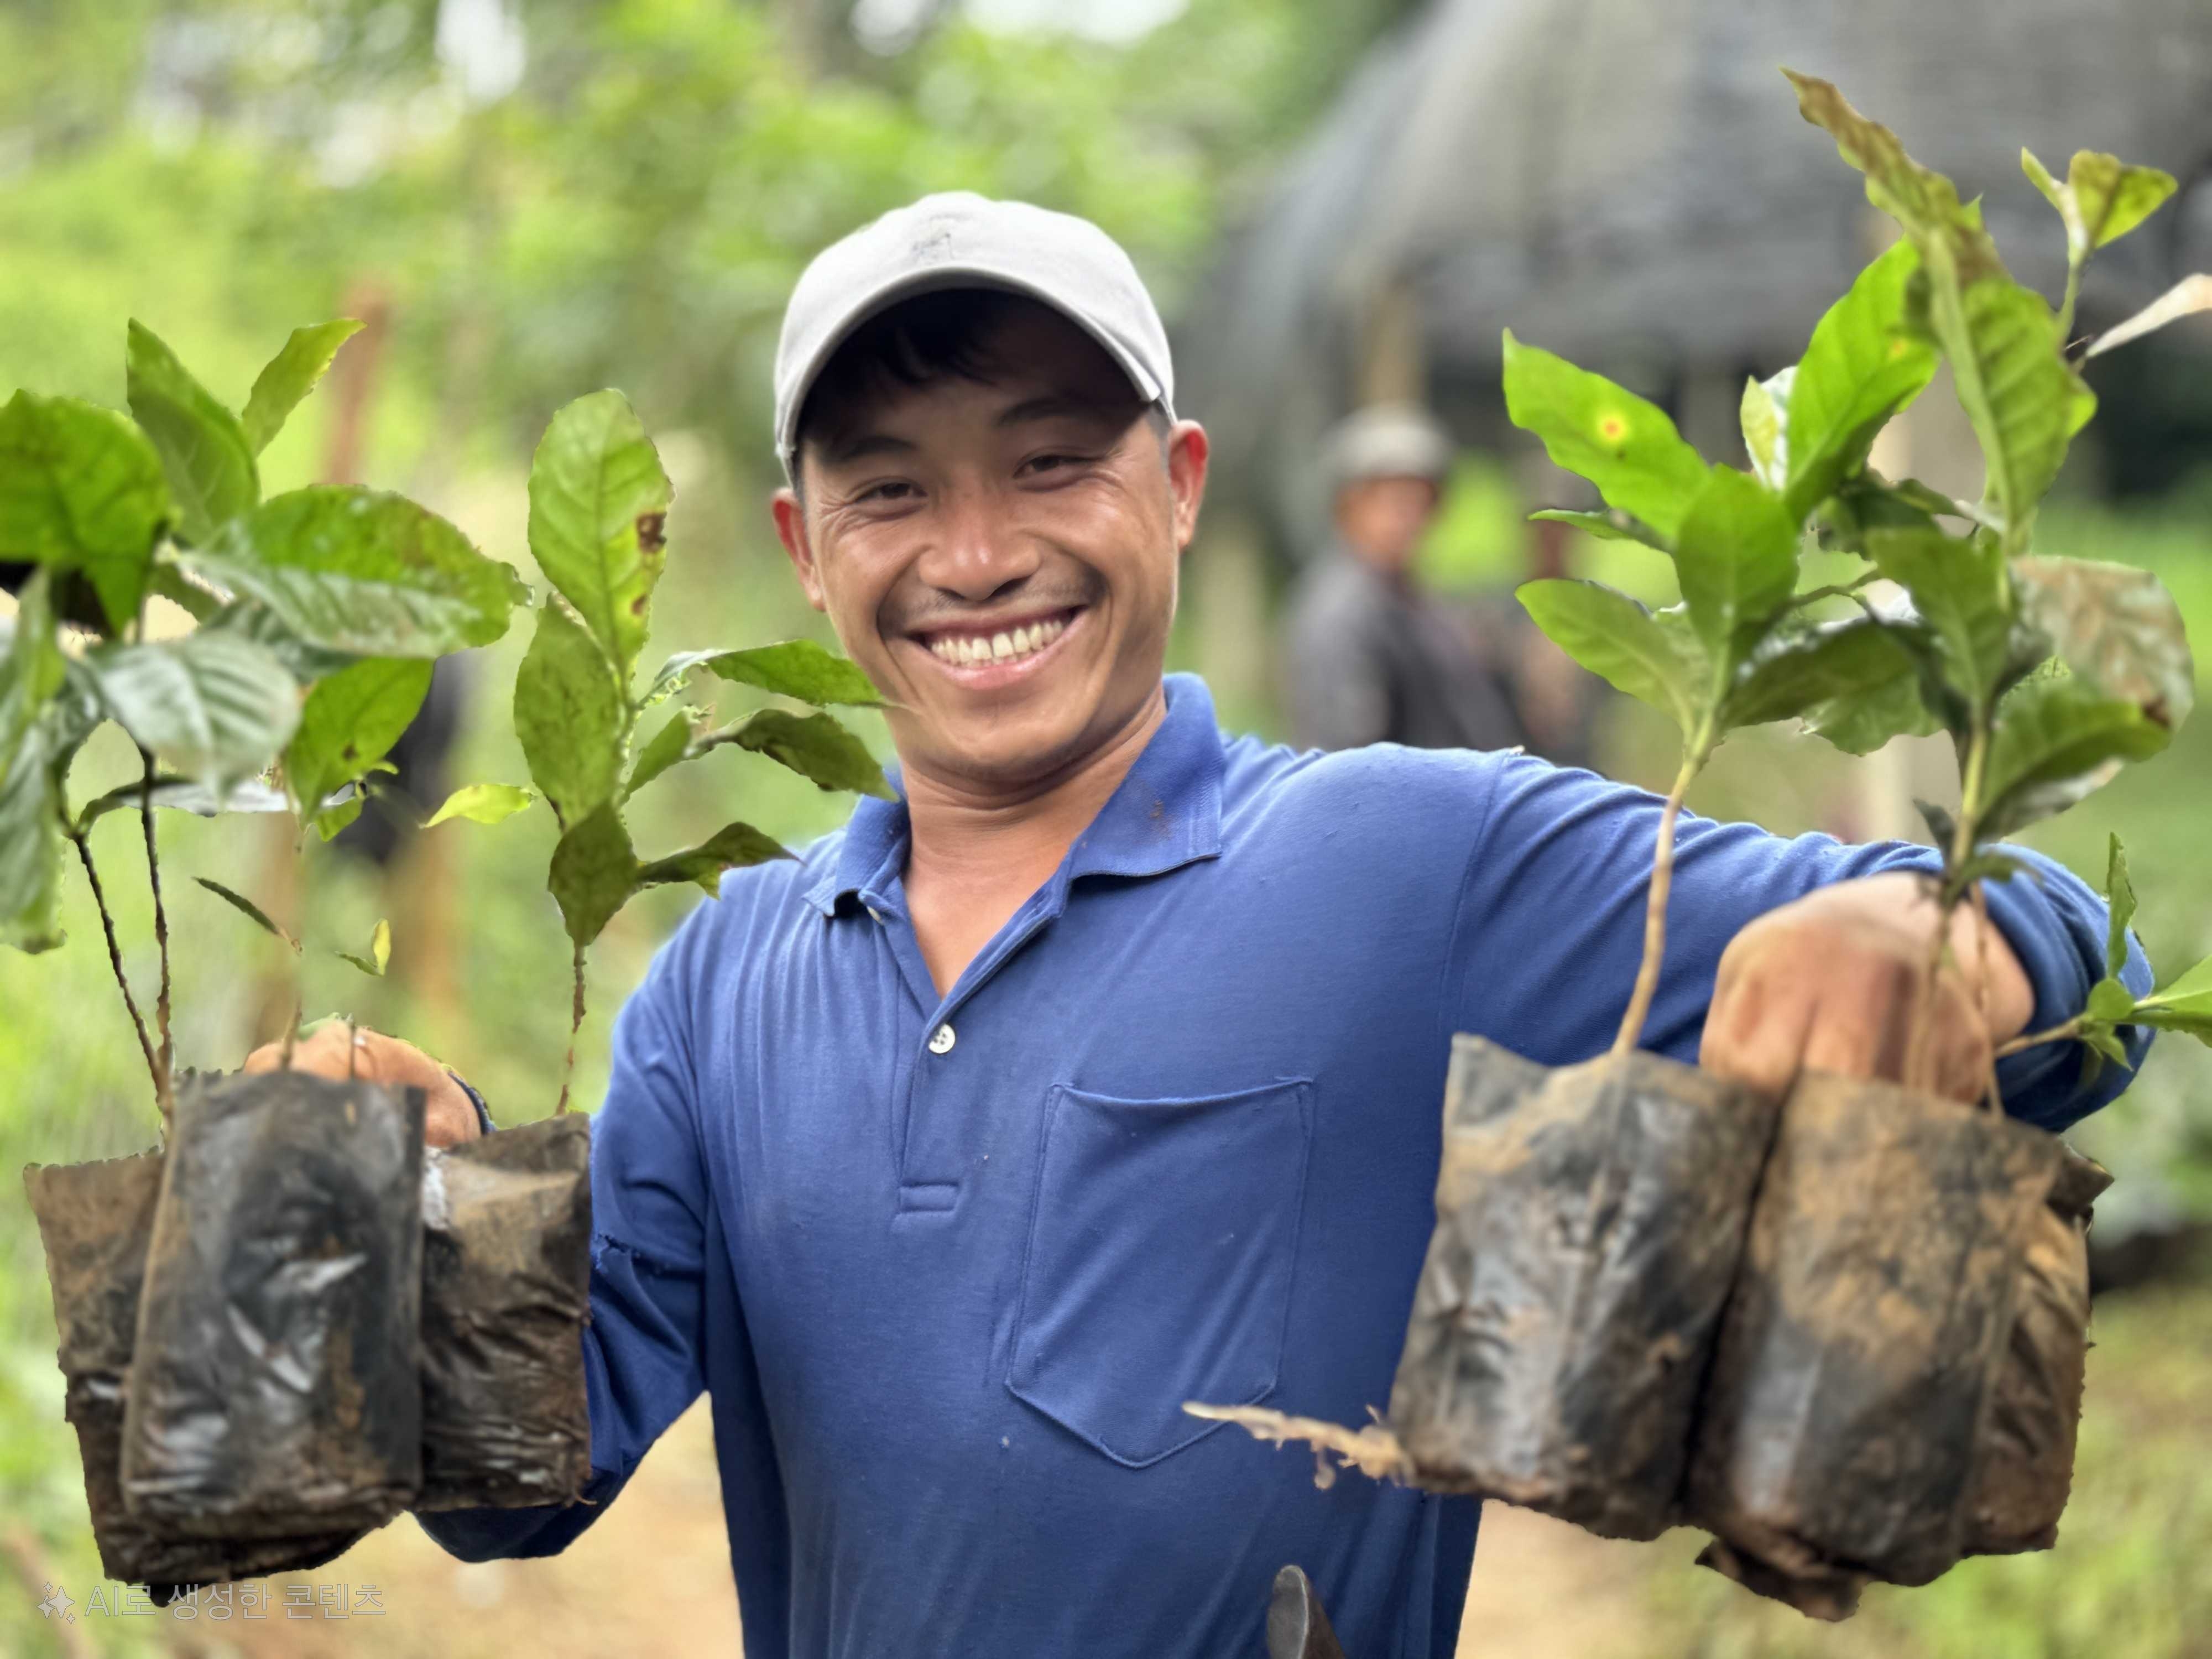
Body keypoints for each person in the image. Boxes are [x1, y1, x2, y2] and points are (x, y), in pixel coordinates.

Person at [258, 192, 2151, 1659]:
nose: (977, 550)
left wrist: (1939, 929)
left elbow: (2087, 980)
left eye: (1051, 461)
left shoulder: (1407, 863)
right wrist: (388, 1221)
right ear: (803, 546)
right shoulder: (722, 979)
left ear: (1178, 487)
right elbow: (528, 1482)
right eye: (893, 489)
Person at [1283, 404, 1525, 753]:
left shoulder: (1415, 599)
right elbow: (1347, 753)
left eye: (1419, 502)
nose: (1407, 518)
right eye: (1392, 502)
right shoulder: (1340, 613)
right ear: (1349, 506)